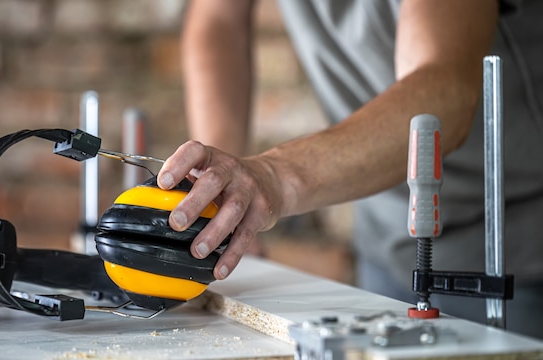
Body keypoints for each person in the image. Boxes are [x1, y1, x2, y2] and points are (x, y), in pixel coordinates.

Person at [158, 0, 543, 339]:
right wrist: (221, 206)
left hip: (510, 245)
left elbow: (440, 92)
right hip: (384, 234)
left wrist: (272, 179)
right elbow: (218, 18)